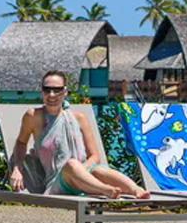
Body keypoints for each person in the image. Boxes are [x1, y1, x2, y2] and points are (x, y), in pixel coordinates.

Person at [8, 71, 148, 199]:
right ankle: (106, 190)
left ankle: (136, 189)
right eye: (47, 90)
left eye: (57, 90)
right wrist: (17, 168)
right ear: (42, 92)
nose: (51, 95)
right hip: (59, 182)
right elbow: (21, 142)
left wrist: (82, 171)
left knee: (98, 170)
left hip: (85, 178)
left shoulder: (79, 118)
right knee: (71, 164)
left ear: (65, 92)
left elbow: (95, 156)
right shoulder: (33, 117)